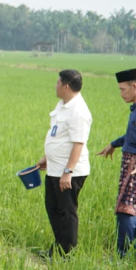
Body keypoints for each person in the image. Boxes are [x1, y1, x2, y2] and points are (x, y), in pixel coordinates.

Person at [97, 68, 136, 257]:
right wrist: (113, 144)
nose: (121, 94)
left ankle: (121, 256)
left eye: (123, 89)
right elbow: (133, 136)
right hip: (134, 162)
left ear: (134, 86)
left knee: (126, 209)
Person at [36, 69, 92, 256]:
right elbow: (57, 134)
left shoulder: (79, 111)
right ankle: (58, 249)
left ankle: (66, 255)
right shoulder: (63, 105)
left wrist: (68, 171)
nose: (55, 85)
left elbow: (78, 143)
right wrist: (47, 158)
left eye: (58, 83)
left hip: (69, 172)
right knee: (53, 208)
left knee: (66, 212)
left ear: (66, 86)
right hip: (55, 167)